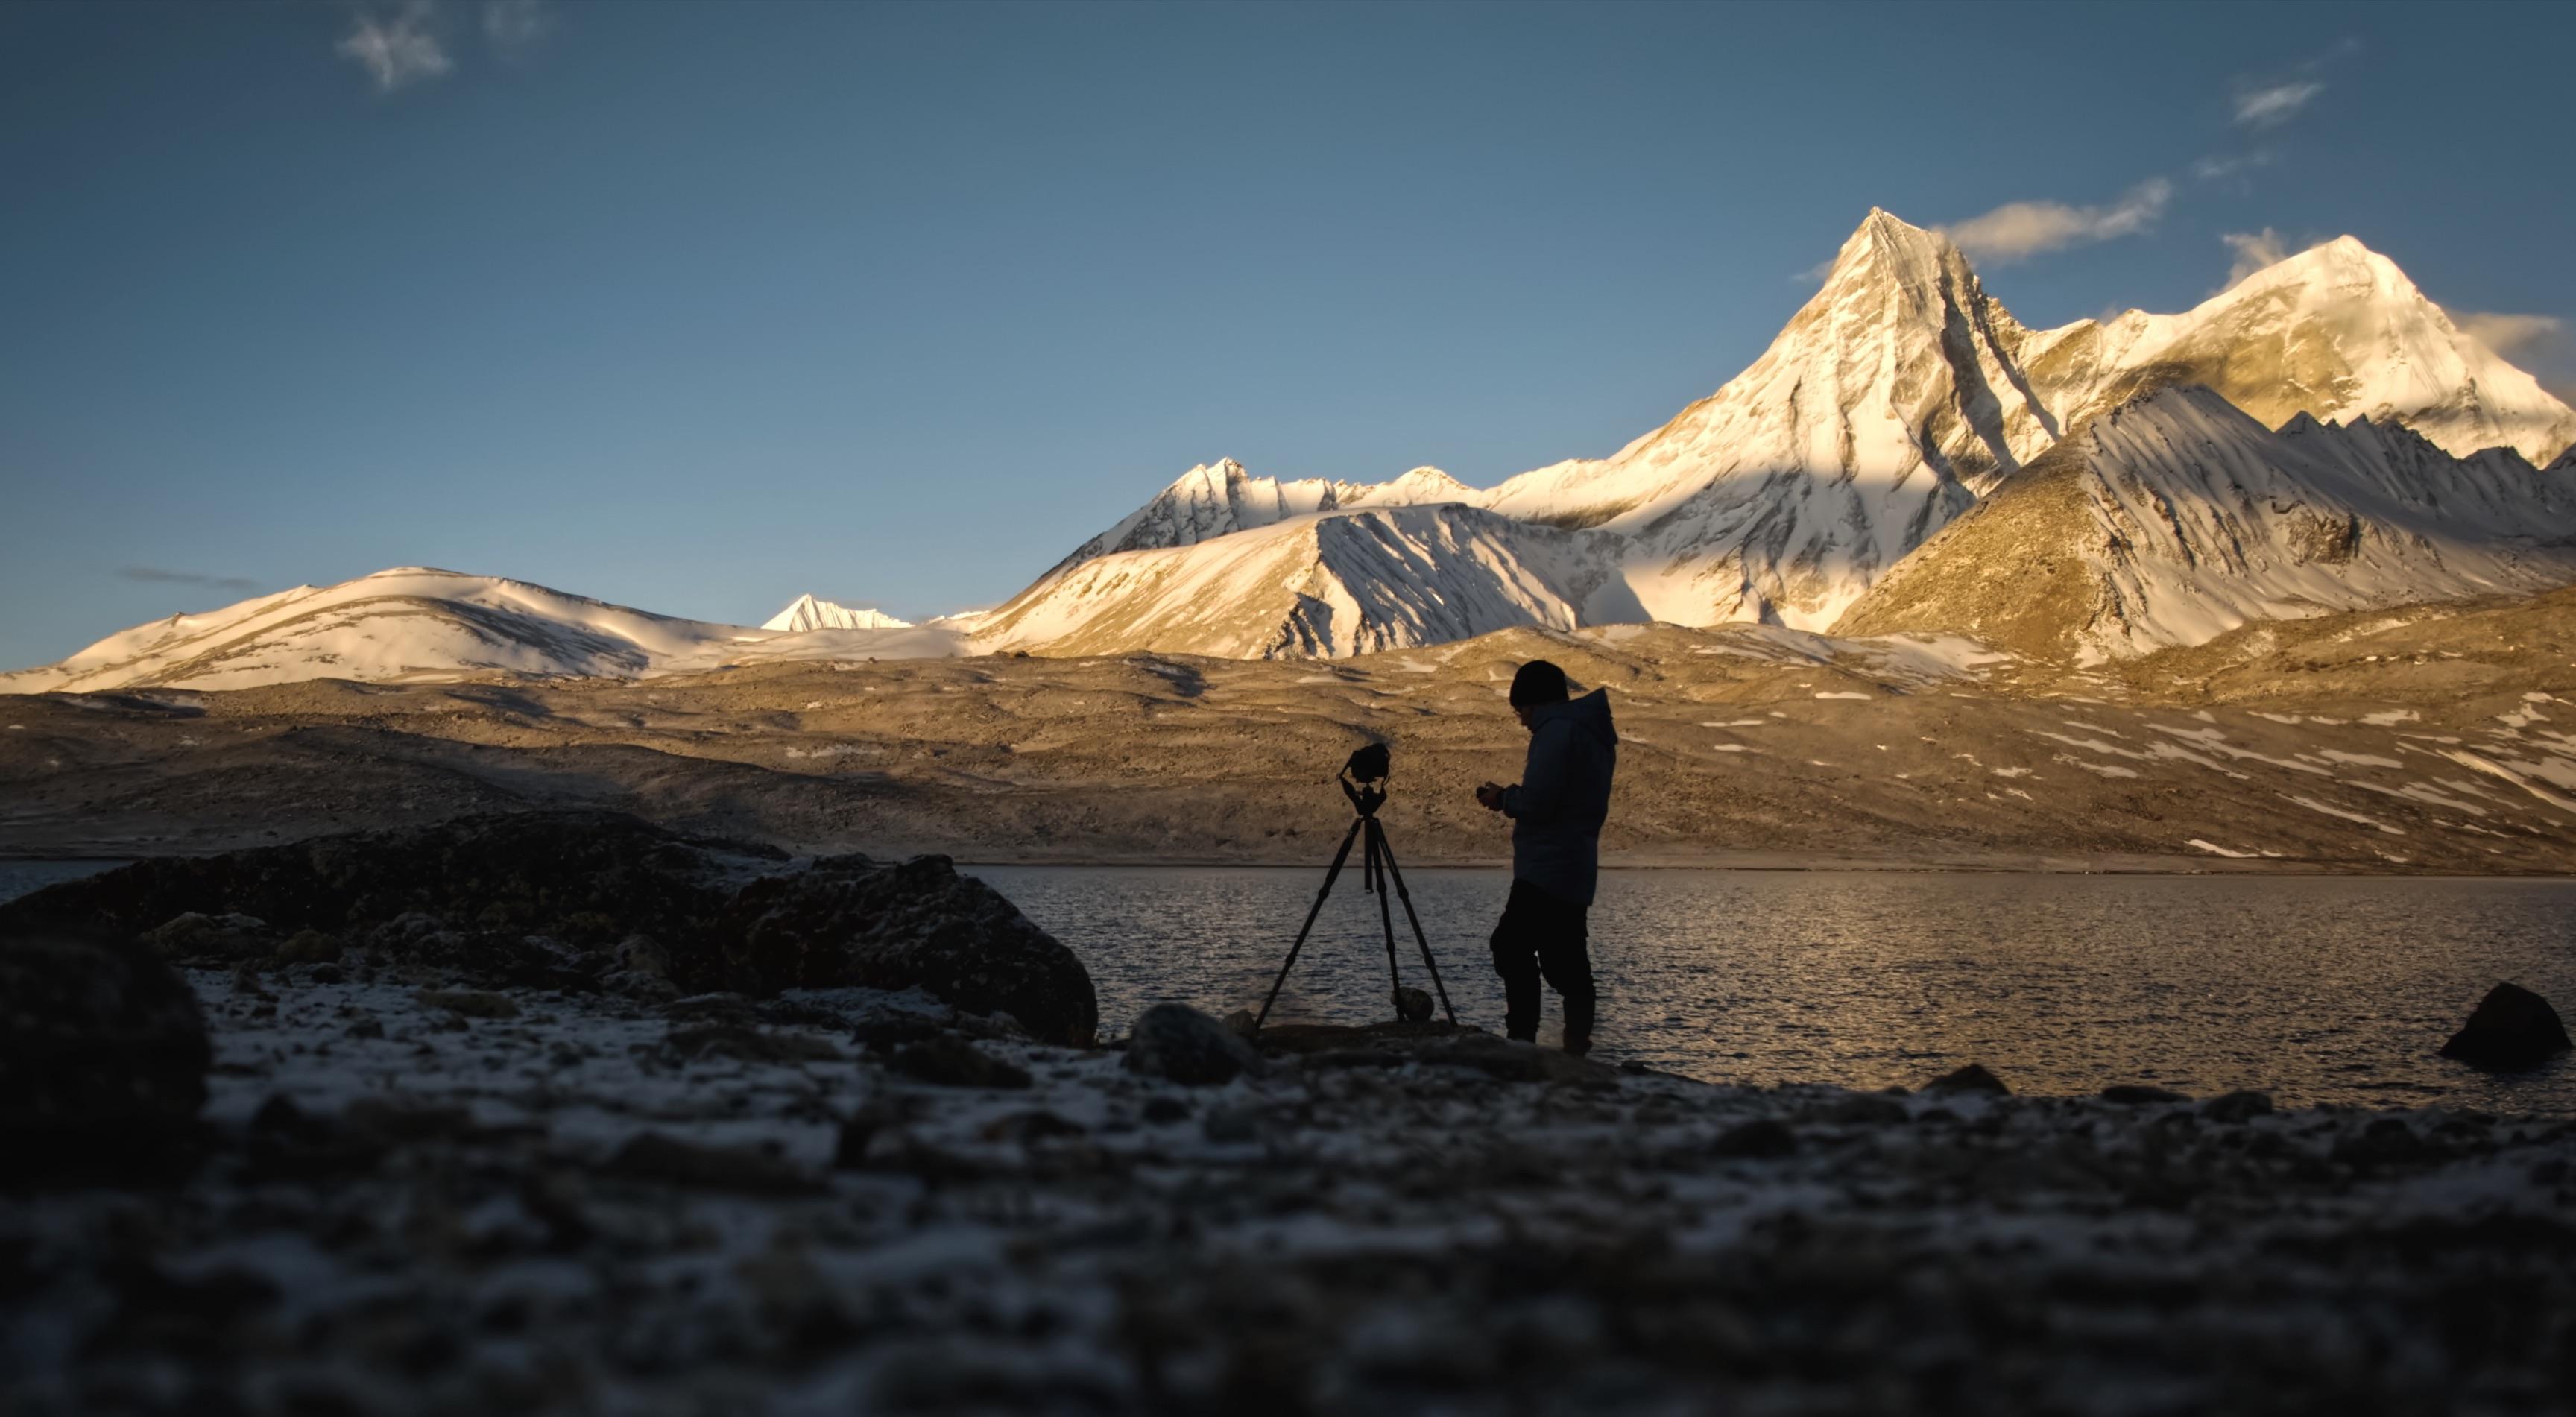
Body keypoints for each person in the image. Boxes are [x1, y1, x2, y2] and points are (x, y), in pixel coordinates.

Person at [1474, 659, 1615, 1054]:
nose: (1522, 721)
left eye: (1520, 711)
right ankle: (1575, 1047)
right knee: (1565, 961)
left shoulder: (1556, 733)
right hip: (1575, 866)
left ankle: (1522, 1042)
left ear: (1534, 704)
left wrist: (1503, 798)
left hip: (1545, 868)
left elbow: (1539, 802)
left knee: (1511, 946)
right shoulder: (1593, 731)